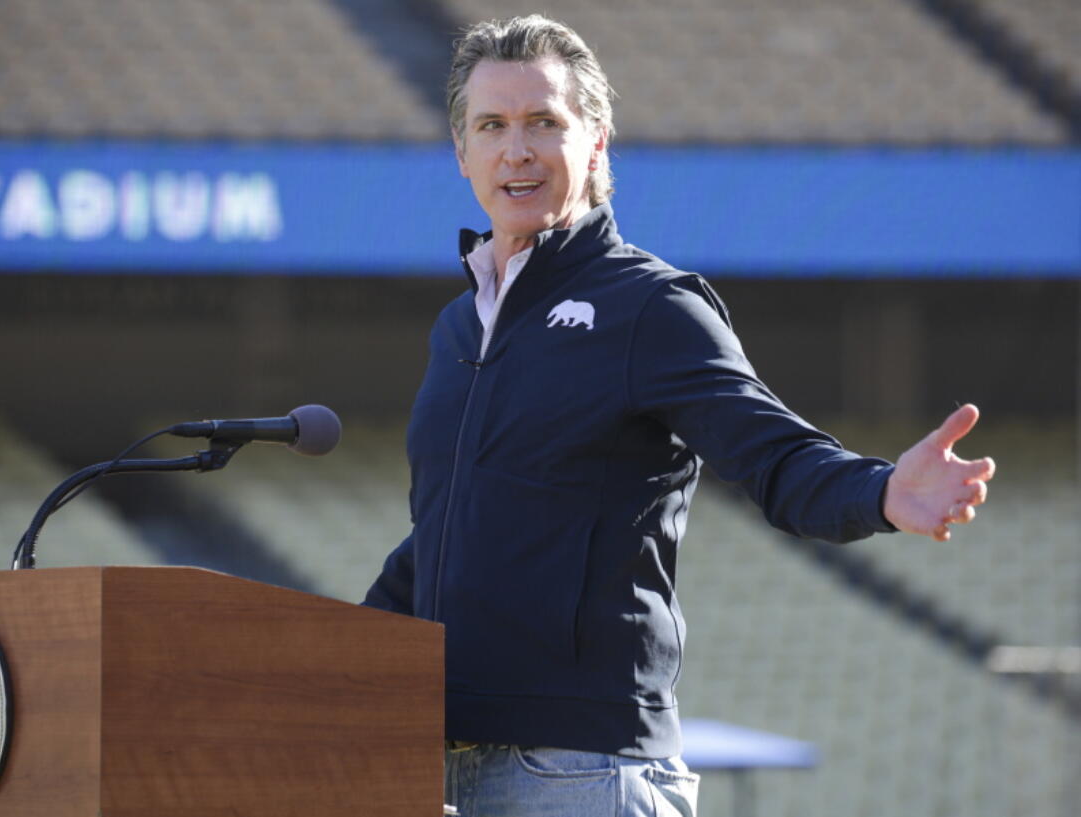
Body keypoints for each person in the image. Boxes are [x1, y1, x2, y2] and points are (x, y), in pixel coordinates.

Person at [363, 14, 995, 817]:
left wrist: (880, 493)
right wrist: (328, 658)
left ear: (596, 141)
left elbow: (777, 457)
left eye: (543, 123)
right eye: (491, 126)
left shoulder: (651, 306)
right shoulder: (459, 326)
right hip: (437, 766)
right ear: (462, 153)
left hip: (582, 772)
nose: (515, 150)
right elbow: (448, 530)